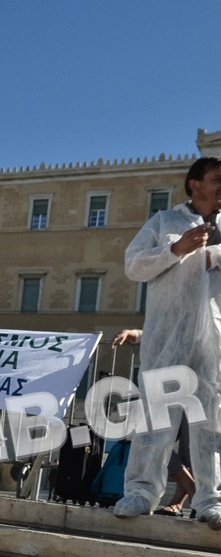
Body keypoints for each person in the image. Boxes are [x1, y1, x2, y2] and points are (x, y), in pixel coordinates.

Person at [113, 157, 221, 530]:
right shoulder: (164, 223)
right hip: (168, 336)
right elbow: (133, 265)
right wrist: (177, 250)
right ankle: (141, 492)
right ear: (194, 184)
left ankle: (211, 499)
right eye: (217, 179)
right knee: (157, 416)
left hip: (215, 342)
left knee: (213, 422)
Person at [111, 328, 197, 517]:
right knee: (152, 441)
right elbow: (163, 327)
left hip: (197, 390)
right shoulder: (178, 311)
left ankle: (178, 503)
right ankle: (193, 490)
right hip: (164, 391)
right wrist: (132, 333)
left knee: (191, 451)